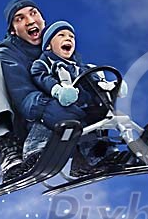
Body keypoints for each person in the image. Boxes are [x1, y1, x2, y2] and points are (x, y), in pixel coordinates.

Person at [0, 0, 87, 182]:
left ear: (43, 21)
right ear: (13, 31)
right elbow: (23, 96)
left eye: (33, 13)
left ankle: (91, 154)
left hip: (54, 123)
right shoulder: (8, 53)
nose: (30, 21)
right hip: (16, 123)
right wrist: (54, 107)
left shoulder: (57, 46)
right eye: (20, 18)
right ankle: (8, 150)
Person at [27, 21, 127, 176]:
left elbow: (96, 82)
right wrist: (57, 90)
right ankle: (34, 152)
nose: (68, 39)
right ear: (48, 46)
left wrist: (113, 86)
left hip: (81, 108)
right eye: (61, 35)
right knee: (53, 117)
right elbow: (40, 76)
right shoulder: (45, 63)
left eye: (71, 37)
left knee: (100, 118)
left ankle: (97, 158)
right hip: (55, 107)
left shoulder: (83, 67)